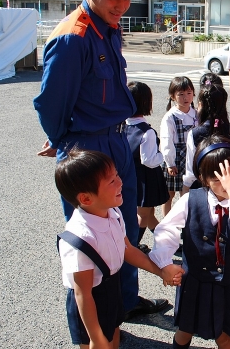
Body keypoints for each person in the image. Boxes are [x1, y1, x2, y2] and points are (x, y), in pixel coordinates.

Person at [33, 0, 167, 319]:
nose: (122, 6)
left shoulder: (108, 25)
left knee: (122, 228)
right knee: (92, 242)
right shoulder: (72, 37)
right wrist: (65, 142)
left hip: (117, 140)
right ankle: (96, 325)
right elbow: (50, 104)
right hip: (90, 147)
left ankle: (124, 302)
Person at [56, 148, 182, 348]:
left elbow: (127, 250)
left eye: (117, 175)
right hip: (91, 301)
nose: (120, 182)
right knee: (98, 343)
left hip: (112, 288)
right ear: (86, 199)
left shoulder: (112, 212)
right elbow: (83, 294)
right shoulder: (79, 239)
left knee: (114, 336)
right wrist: (96, 338)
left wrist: (161, 271)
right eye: (111, 181)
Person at [149, 135, 230, 349]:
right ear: (203, 177)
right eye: (218, 178)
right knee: (185, 330)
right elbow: (166, 228)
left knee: (224, 336)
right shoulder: (190, 200)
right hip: (196, 281)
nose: (225, 184)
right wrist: (164, 262)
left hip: (228, 284)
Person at [124, 81, 169, 252]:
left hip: (130, 175)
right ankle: (132, 246)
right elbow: (149, 160)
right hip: (146, 178)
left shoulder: (122, 125)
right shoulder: (146, 132)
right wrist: (163, 155)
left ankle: (165, 240)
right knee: (143, 215)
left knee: (148, 213)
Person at [160, 76, 197, 216]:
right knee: (169, 194)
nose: (185, 97)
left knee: (186, 192)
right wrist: (170, 162)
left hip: (191, 156)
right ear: (173, 96)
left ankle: (184, 222)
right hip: (176, 158)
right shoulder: (170, 117)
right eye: (180, 94)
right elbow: (166, 140)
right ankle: (167, 221)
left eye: (189, 93)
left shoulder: (196, 114)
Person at [183, 83, 230, 190]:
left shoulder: (195, 133)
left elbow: (190, 171)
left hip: (202, 187)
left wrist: (185, 191)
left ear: (200, 105)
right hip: (229, 187)